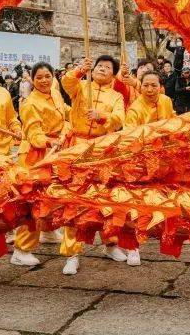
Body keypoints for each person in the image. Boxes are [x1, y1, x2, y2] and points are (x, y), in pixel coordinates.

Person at [60, 55, 129, 271]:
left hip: (102, 148)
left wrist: (102, 116)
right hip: (77, 147)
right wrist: (80, 69)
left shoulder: (116, 96)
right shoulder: (81, 86)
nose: (101, 69)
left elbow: (119, 119)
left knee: (105, 198)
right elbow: (66, 82)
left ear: (113, 74)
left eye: (107, 67)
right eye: (99, 66)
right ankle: (72, 253)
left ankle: (111, 243)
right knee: (75, 200)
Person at [14, 62, 72, 270]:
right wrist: (50, 141)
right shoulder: (29, 103)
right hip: (35, 155)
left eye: (47, 76)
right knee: (33, 200)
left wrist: (77, 116)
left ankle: (48, 231)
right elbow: (34, 135)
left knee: (52, 195)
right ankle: (21, 250)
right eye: (39, 77)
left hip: (55, 151)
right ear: (32, 79)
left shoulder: (55, 93)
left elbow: (65, 112)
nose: (44, 80)